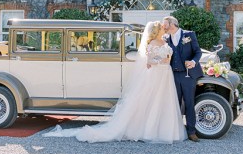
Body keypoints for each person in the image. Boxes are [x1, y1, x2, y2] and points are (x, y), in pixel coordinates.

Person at [43, 21, 186, 143]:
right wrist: (161, 60)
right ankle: (148, 131)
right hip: (157, 73)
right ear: (157, 30)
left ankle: (164, 130)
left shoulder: (165, 41)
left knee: (163, 102)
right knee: (151, 102)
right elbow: (149, 60)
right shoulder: (152, 43)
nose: (164, 28)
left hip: (165, 75)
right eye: (162, 27)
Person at [162, 16, 203, 142]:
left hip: (187, 75)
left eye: (165, 25)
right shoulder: (166, 38)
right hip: (173, 75)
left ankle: (191, 132)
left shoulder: (189, 35)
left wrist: (193, 61)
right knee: (175, 103)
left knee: (189, 103)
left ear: (173, 24)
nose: (163, 27)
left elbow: (198, 52)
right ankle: (176, 131)